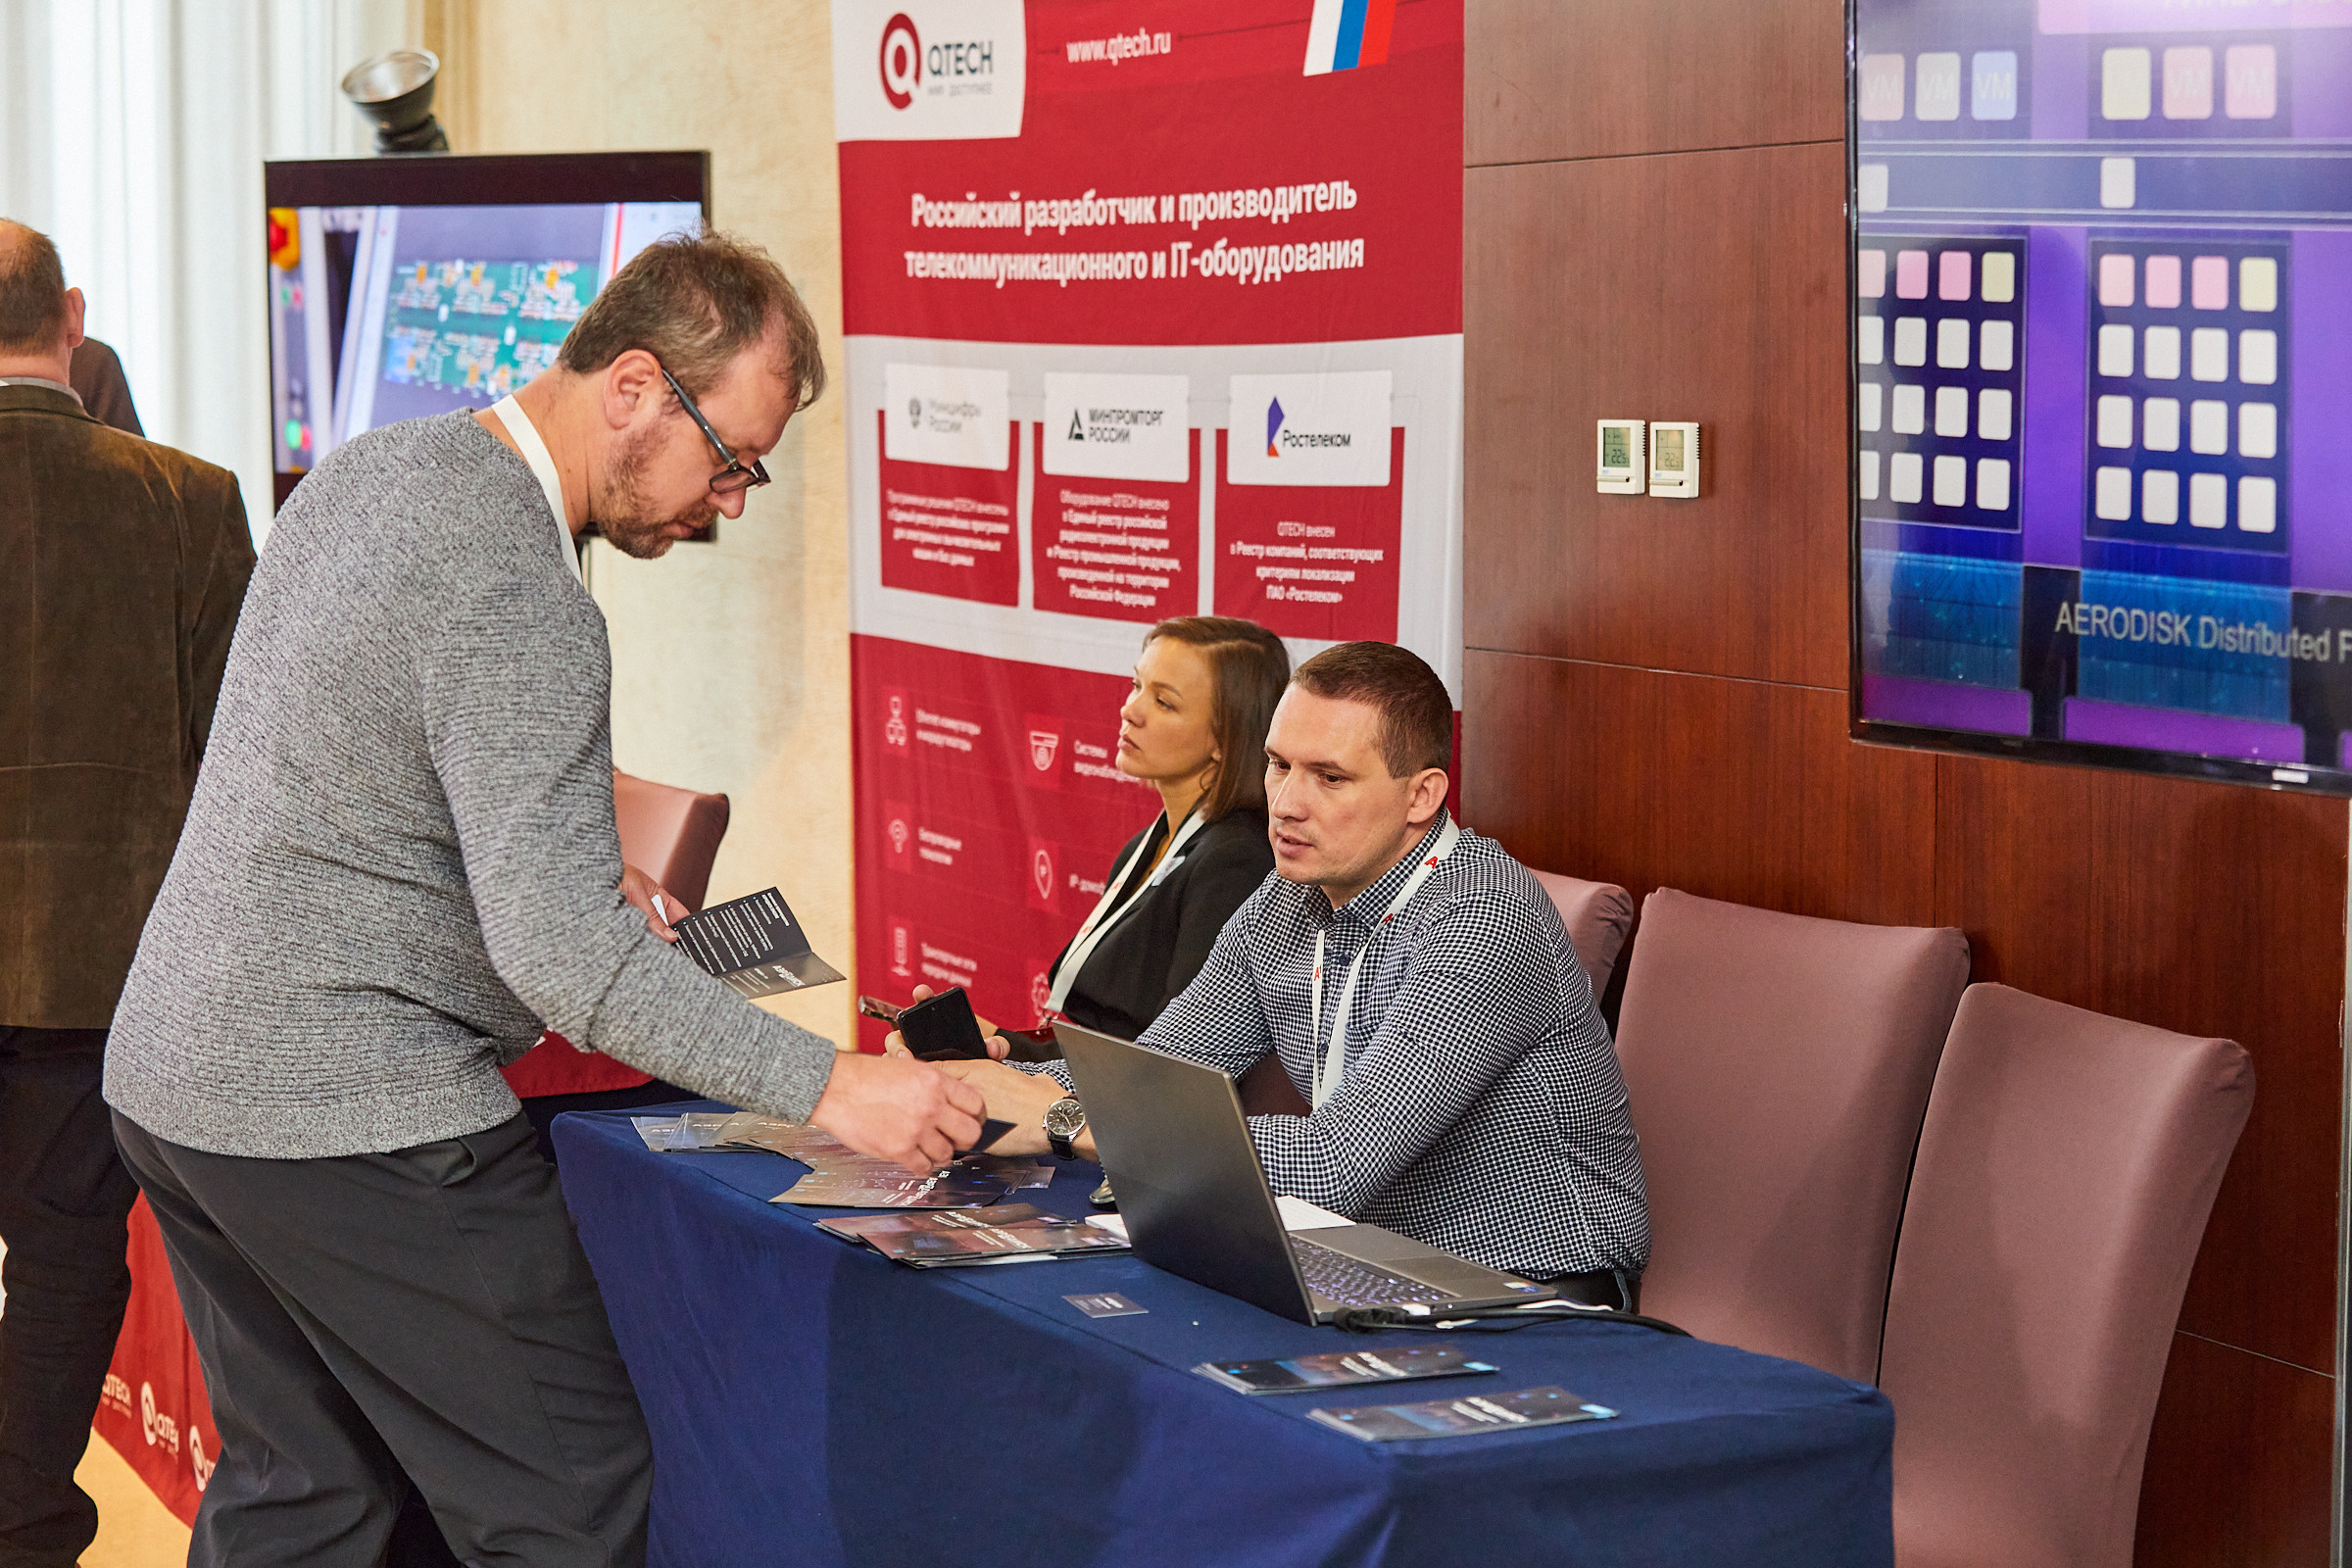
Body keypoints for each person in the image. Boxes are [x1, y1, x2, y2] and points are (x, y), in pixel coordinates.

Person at [103, 231, 984, 1568]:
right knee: (571, 1501)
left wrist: (559, 857)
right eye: (730, 458)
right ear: (634, 387)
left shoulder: (376, 470)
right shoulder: (525, 586)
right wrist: (840, 1088)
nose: (731, 502)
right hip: (348, 1107)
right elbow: (568, 958)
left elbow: (344, 783)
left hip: (182, 1078)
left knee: (314, 1498)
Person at [930, 641, 1650, 1305]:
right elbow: (1154, 1077)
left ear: (1422, 797)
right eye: (1279, 765)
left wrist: (1061, 1120)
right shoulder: (1285, 898)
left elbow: (1335, 1164)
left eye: (1330, 777)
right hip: (1359, 1252)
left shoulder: (1483, 921)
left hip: (1535, 1287)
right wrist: (965, 1089)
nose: (1288, 804)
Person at [0, 221, 254, 1568]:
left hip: (101, 976)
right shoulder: (191, 499)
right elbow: (247, 762)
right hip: (109, 973)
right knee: (59, 1264)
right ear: (75, 318)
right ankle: (25, 1523)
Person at [1037, 616, 1288, 1044]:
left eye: (1164, 702)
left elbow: (1173, 1059)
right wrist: (997, 1042)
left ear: (1225, 738)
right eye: (1137, 686)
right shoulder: (1148, 844)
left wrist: (1011, 1059)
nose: (1129, 710)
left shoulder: (1234, 863)